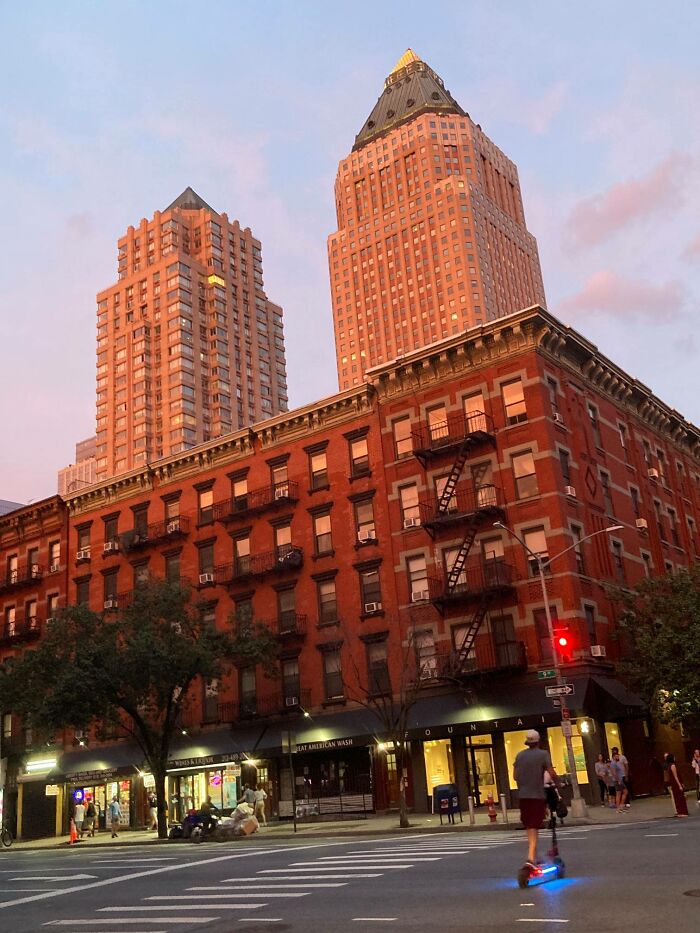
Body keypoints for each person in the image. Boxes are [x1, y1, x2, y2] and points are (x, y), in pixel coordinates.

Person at [513, 729, 556, 869]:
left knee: (529, 826)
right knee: (535, 826)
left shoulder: (519, 756)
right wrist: (559, 782)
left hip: (523, 795)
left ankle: (534, 857)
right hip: (537, 795)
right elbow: (551, 771)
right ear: (538, 741)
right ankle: (531, 858)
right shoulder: (543, 754)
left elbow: (515, 776)